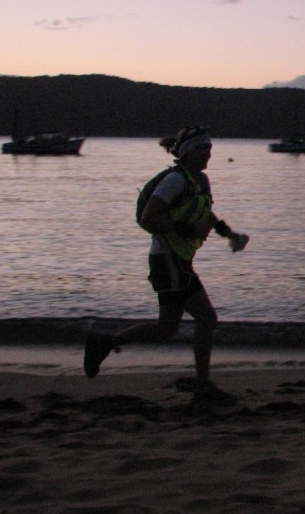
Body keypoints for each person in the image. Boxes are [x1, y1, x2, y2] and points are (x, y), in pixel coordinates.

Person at [83, 126, 248, 397]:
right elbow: (149, 217)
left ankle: (104, 341)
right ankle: (203, 384)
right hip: (168, 260)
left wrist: (229, 234)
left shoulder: (200, 181)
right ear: (186, 152)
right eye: (201, 149)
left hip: (177, 260)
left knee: (166, 328)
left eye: (209, 149)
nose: (207, 154)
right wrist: (186, 230)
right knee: (207, 319)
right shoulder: (175, 180)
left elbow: (205, 213)